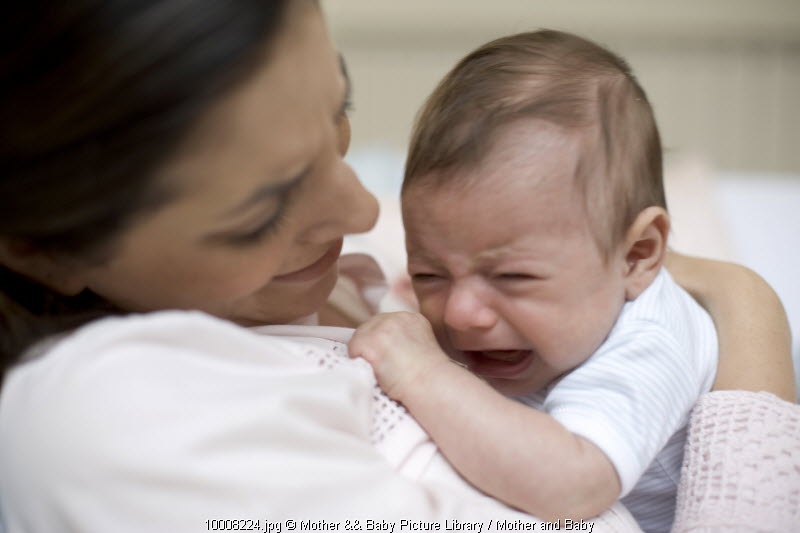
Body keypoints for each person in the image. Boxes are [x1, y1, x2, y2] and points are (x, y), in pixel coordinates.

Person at [0, 2, 794, 532]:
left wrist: (738, 296)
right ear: (44, 245)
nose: (362, 211)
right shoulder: (102, 425)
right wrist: (743, 306)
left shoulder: (329, 285)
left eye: (338, 113)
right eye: (263, 208)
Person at [347, 30, 788, 533]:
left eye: (513, 276)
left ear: (638, 256)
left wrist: (423, 372)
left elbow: (573, 484)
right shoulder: (533, 316)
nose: (459, 314)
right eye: (433, 272)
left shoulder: (650, 341)